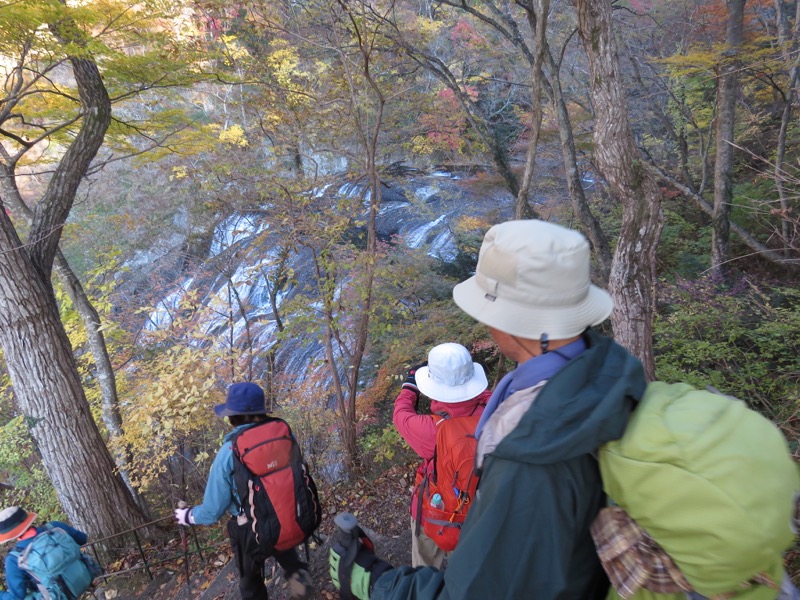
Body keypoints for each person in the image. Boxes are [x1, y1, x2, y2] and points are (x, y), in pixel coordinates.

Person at [331, 219, 647, 599]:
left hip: (444, 521)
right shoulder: (612, 381)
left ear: (514, 323)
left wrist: (374, 581)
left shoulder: (530, 452)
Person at [174, 382, 313, 600]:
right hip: (287, 513)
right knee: (289, 559)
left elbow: (212, 511)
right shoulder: (284, 435)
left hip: (249, 528)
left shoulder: (228, 453)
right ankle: (303, 588)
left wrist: (187, 516)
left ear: (233, 417)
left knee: (250, 581)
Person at [393, 342, 491, 568]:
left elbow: (401, 415)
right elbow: (482, 396)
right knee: (466, 568)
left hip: (436, 511)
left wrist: (409, 386)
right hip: (482, 507)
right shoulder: (494, 410)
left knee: (426, 567)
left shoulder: (432, 429)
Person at [0, 506, 89, 600]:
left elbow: (16, 597)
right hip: (84, 577)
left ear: (8, 534)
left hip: (59, 595)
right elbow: (82, 539)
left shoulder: (14, 559)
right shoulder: (55, 527)